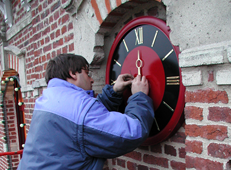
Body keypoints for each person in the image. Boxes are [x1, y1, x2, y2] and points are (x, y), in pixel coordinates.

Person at [17, 53, 154, 170]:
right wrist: (139, 96)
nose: (92, 79)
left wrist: (113, 92)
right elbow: (133, 132)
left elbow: (84, 121)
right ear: (72, 73)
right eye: (87, 73)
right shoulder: (80, 111)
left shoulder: (48, 99)